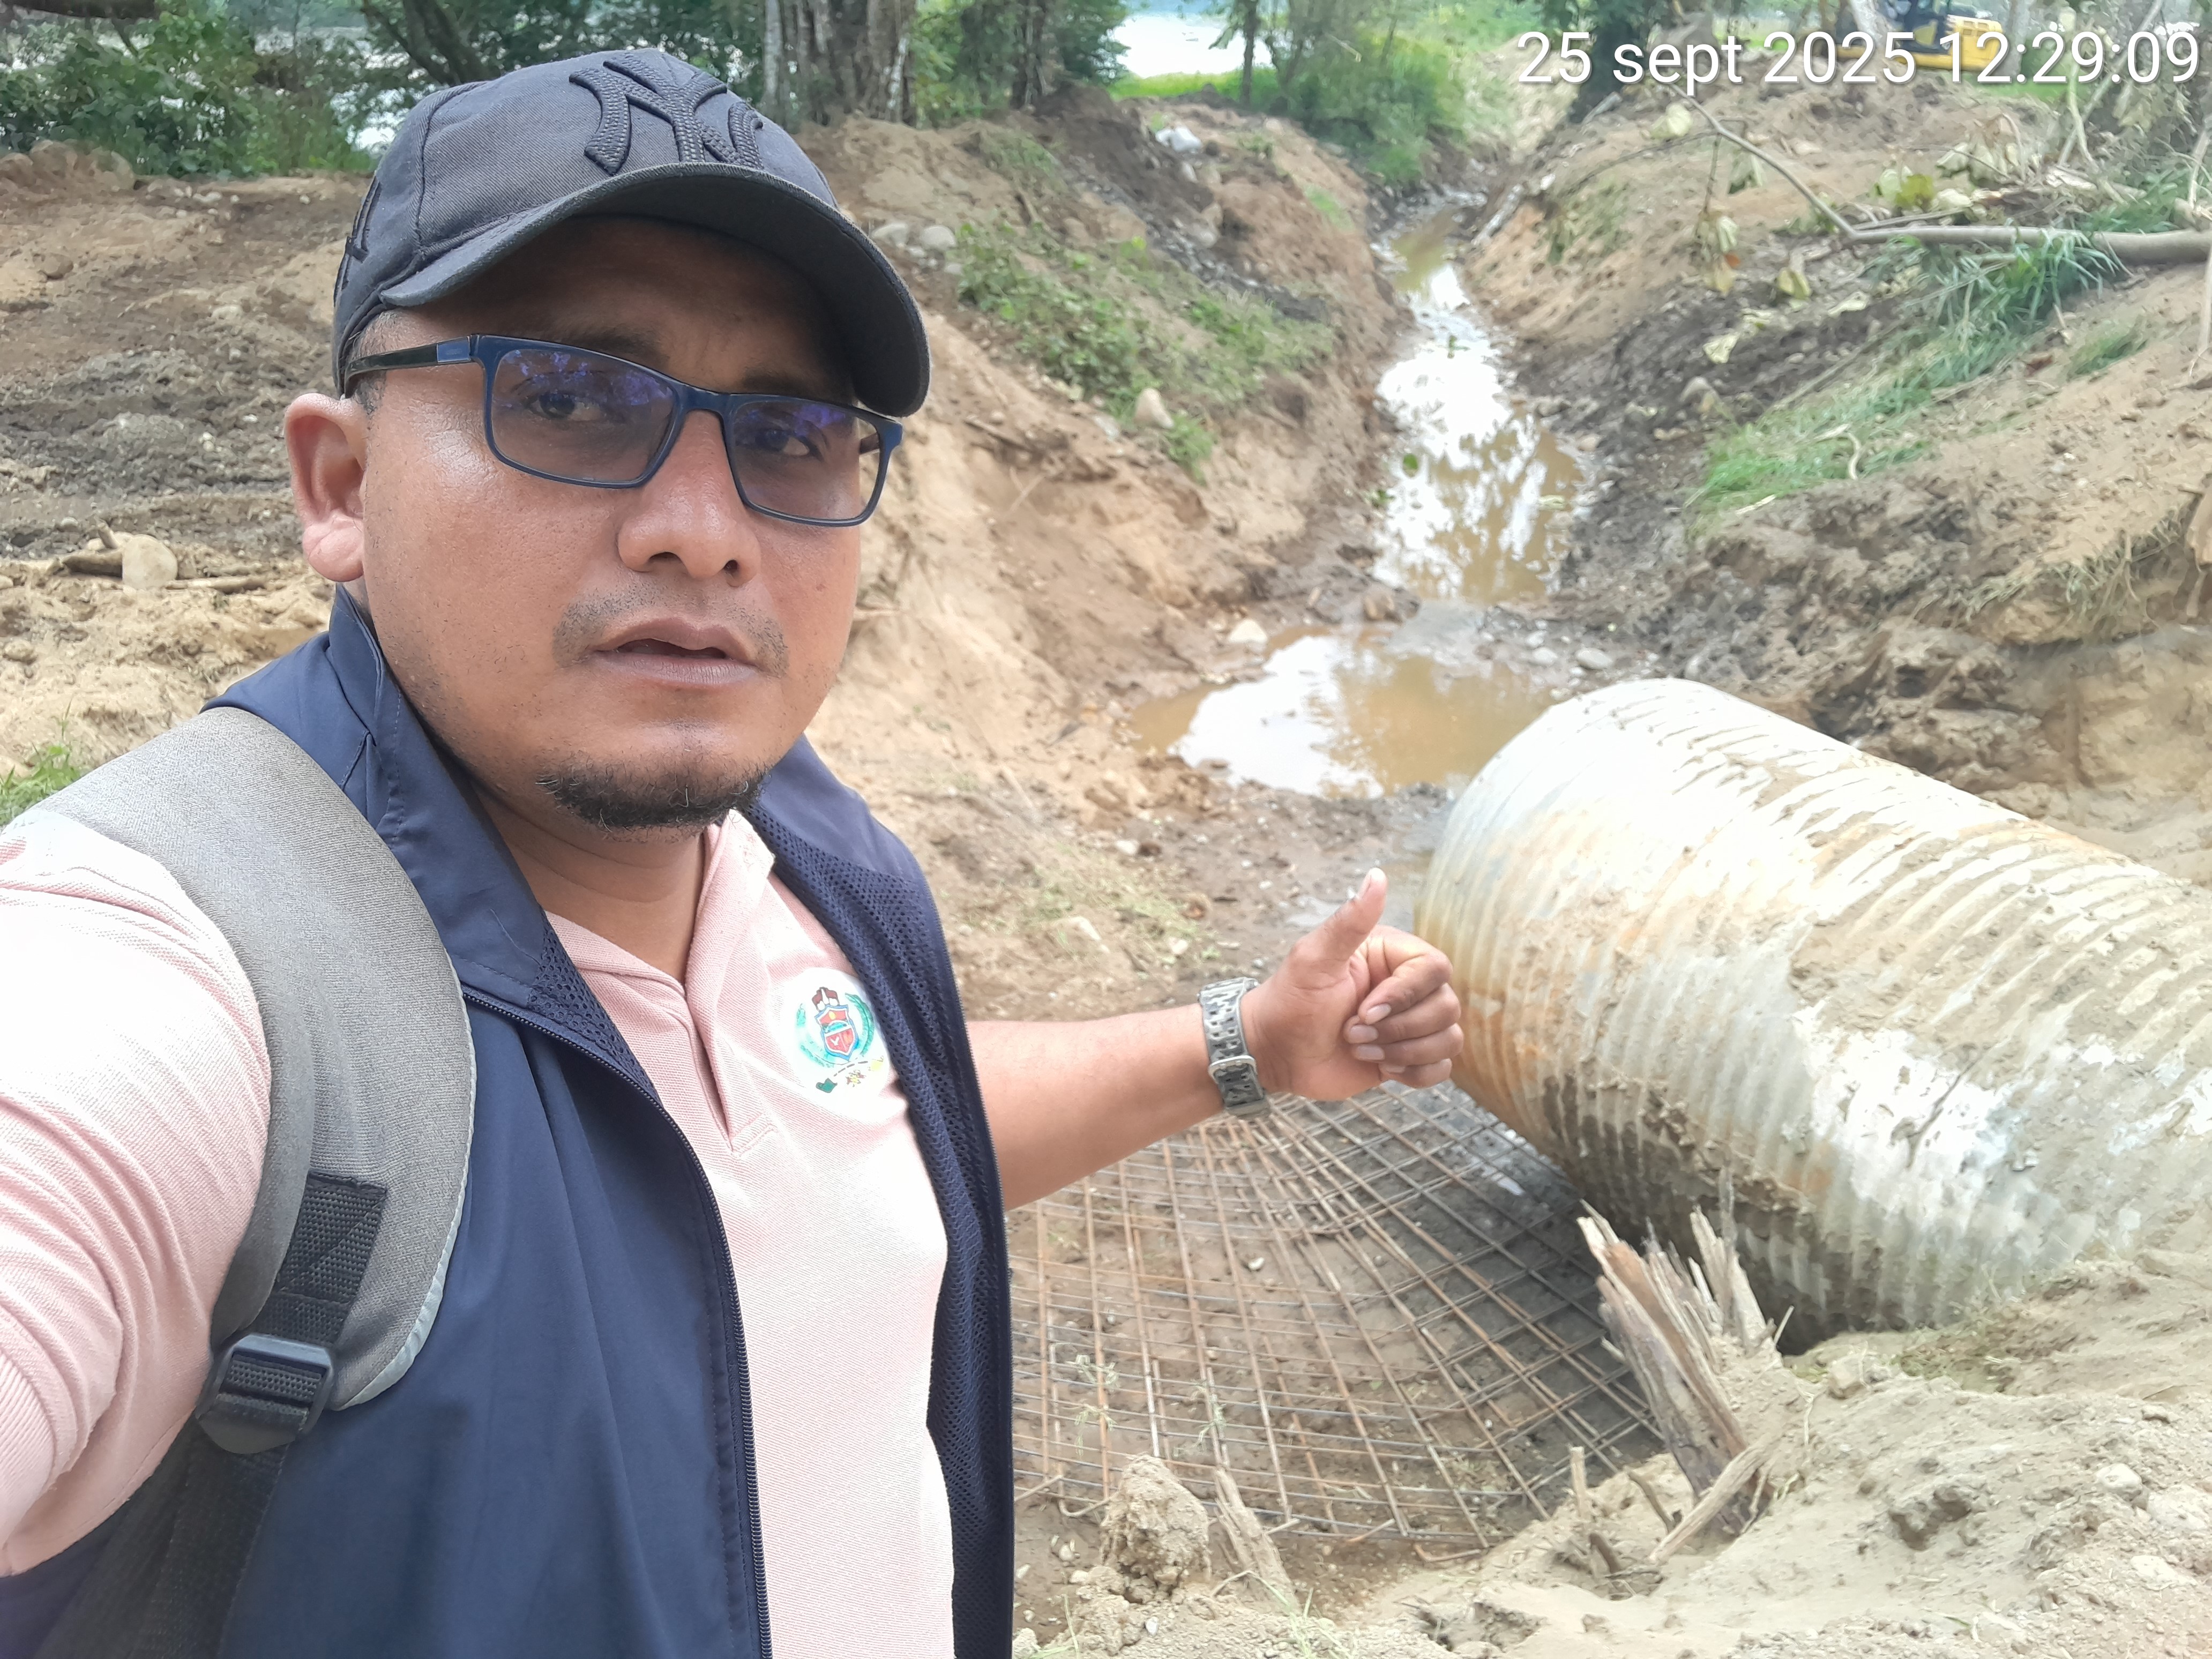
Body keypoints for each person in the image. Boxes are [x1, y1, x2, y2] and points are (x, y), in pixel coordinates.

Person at [0, 48, 1463, 1659]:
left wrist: (1244, 1043)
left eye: (787, 434)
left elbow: (849, 1128)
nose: (702, 528)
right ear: (339, 485)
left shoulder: (804, 849)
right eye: (568, 399)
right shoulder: (173, 971)